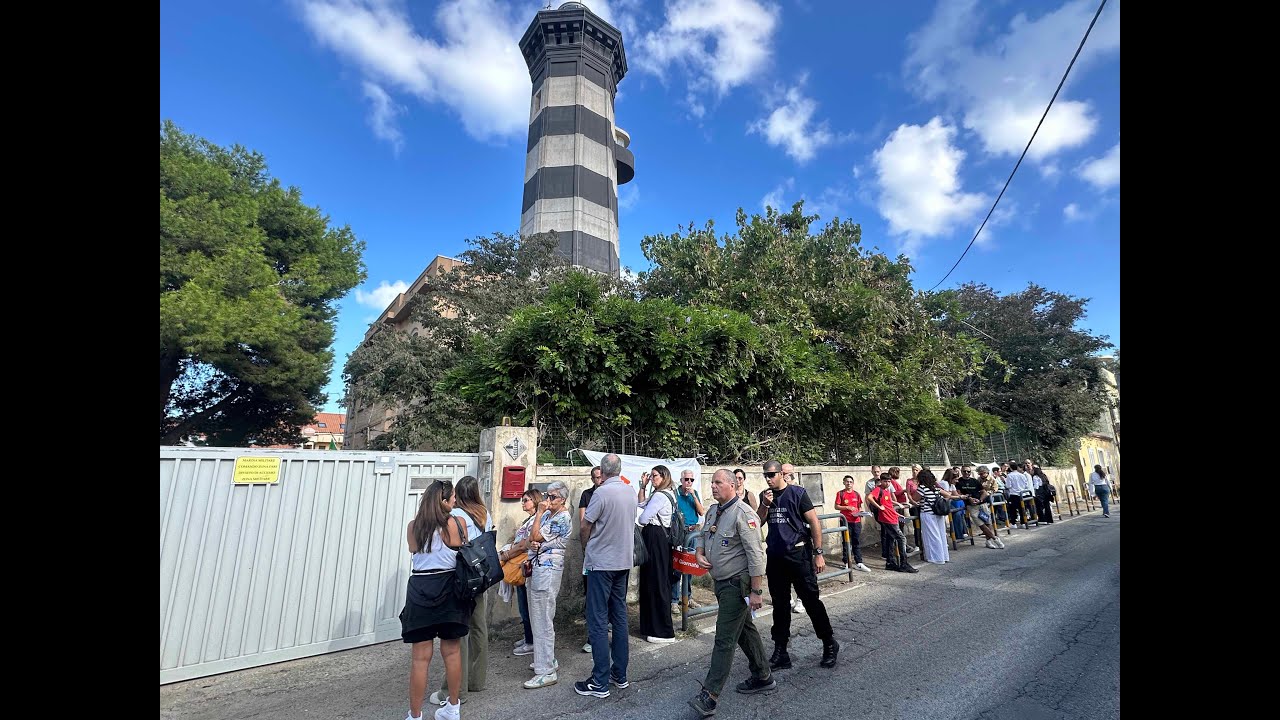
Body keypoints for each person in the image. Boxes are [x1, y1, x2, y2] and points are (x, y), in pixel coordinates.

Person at [688, 470, 776, 717]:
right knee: (745, 631)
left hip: (736, 585)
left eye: (718, 482)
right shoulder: (714, 511)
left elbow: (756, 555)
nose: (713, 486)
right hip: (721, 583)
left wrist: (756, 591)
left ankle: (710, 695)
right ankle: (763, 675)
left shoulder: (744, 514)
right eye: (712, 483)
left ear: (732, 485)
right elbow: (704, 534)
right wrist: (699, 553)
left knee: (724, 639)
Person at [757, 459, 840, 670]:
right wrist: (764, 504)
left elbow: (814, 521)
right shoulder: (765, 496)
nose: (768, 479)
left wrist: (818, 553)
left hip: (798, 555)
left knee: (811, 601)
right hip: (776, 558)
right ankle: (781, 651)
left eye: (771, 474)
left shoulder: (797, 493)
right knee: (780, 606)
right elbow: (757, 523)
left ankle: (829, 642)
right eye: (765, 475)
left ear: (781, 474)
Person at [400, 480, 471, 720]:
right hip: (450, 587)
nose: (455, 501)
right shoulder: (457, 523)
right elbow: (462, 546)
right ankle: (453, 708)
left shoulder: (414, 527)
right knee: (452, 652)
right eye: (452, 498)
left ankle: (415, 715)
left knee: (420, 658)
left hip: (421, 588)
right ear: (444, 501)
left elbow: (414, 549)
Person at [575, 454, 635, 699]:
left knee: (598, 619)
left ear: (602, 470)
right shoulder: (630, 492)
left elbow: (585, 525)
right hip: (623, 562)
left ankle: (599, 681)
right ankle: (619, 674)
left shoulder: (601, 493)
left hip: (601, 563)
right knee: (619, 616)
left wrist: (586, 548)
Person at [428, 476, 489, 708]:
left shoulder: (456, 516)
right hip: (479, 576)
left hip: (460, 578)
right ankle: (477, 679)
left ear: (458, 495)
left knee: (458, 633)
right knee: (479, 627)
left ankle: (454, 689)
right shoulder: (484, 514)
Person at [523, 481, 572, 689]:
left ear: (562, 499)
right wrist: (534, 541)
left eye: (552, 497)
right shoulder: (548, 515)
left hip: (548, 571)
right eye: (547, 495)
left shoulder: (562, 517)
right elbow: (530, 538)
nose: (547, 500)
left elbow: (536, 535)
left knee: (542, 619)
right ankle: (547, 659)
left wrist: (538, 515)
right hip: (538, 567)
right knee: (538, 617)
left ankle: (546, 670)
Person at [636, 466, 677, 643]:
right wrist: (643, 486)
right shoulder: (667, 493)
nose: (652, 478)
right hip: (660, 538)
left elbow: (643, 518)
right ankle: (651, 626)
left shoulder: (660, 496)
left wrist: (644, 516)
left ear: (664, 476)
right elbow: (641, 504)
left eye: (655, 476)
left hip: (655, 537)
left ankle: (662, 631)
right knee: (654, 580)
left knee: (656, 581)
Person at [499, 488, 542, 657]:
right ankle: (528, 637)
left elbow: (524, 544)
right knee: (523, 603)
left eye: (526, 500)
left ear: (535, 501)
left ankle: (531, 641)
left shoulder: (536, 520)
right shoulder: (529, 519)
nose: (523, 503)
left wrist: (508, 554)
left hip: (526, 564)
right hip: (521, 562)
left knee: (526, 605)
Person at [867, 473, 917, 573]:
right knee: (901, 538)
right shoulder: (878, 489)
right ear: (881, 481)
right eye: (885, 481)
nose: (887, 483)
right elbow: (869, 497)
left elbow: (889, 503)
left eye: (889, 481)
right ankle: (904, 563)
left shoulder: (886, 491)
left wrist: (897, 510)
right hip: (887, 518)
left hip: (892, 517)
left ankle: (890, 562)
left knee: (891, 539)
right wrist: (879, 507)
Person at [578, 467, 605, 653]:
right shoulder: (587, 495)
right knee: (591, 591)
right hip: (592, 547)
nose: (599, 480)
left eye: (601, 477)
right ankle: (592, 635)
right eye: (596, 478)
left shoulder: (610, 493)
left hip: (607, 549)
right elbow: (584, 522)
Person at [673, 469, 707, 608]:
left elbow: (701, 512)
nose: (688, 482)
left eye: (691, 480)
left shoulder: (694, 493)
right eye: (686, 479)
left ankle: (687, 597)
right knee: (677, 566)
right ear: (681, 480)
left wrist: (693, 496)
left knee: (689, 566)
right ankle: (674, 600)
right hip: (680, 532)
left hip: (692, 533)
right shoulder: (675, 494)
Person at [911, 468, 949, 564]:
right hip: (938, 513)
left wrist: (909, 495)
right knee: (941, 535)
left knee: (931, 536)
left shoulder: (922, 488)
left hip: (927, 514)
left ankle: (935, 558)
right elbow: (947, 495)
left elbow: (915, 498)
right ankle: (943, 556)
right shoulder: (935, 488)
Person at [834, 475, 870, 572]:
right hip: (845, 521)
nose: (849, 483)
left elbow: (859, 506)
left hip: (856, 521)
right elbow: (836, 506)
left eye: (850, 482)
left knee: (856, 541)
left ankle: (859, 562)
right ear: (844, 482)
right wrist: (847, 507)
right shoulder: (840, 493)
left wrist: (861, 512)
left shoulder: (856, 494)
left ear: (853, 483)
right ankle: (847, 563)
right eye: (847, 481)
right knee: (846, 542)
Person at [963, 467, 1004, 548]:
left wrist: (984, 496)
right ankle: (995, 538)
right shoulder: (976, 480)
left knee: (987, 522)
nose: (981, 475)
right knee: (981, 523)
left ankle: (988, 541)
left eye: (968, 471)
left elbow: (993, 489)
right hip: (973, 504)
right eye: (980, 473)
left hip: (985, 500)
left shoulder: (990, 479)